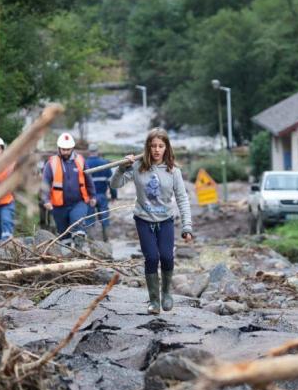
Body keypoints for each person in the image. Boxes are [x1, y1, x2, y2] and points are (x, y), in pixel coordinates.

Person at [110, 128, 193, 314]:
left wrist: (187, 225)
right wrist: (121, 167)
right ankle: (154, 301)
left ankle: (166, 294)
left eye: (161, 146)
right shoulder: (138, 166)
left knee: (166, 256)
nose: (156, 150)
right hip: (144, 220)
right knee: (152, 258)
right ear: (148, 147)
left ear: (166, 148)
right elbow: (114, 184)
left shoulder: (173, 171)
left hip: (165, 220)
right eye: (153, 146)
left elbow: (182, 198)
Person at [42, 133, 96, 249]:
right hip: (58, 205)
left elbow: (88, 179)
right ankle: (67, 256)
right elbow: (45, 183)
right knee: (63, 234)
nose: (66, 152)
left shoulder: (81, 160)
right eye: (63, 149)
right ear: (59, 148)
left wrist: (93, 196)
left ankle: (79, 248)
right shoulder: (51, 163)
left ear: (72, 148)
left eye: (68, 149)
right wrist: (46, 199)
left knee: (77, 224)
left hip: (79, 202)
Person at [85, 143, 117, 242]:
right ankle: (106, 241)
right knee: (104, 219)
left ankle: (91, 243)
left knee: (90, 220)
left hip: (89, 197)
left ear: (89, 152)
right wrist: (114, 195)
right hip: (102, 195)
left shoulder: (84, 164)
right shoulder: (105, 163)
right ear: (97, 151)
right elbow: (112, 182)